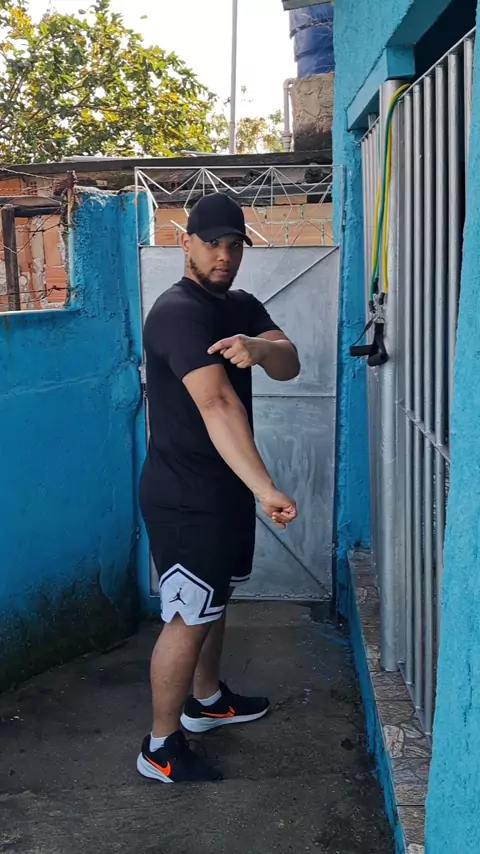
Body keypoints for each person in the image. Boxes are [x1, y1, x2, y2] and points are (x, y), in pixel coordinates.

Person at [137, 192, 300, 784]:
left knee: (212, 601)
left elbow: (290, 362)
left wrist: (260, 348)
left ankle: (207, 701)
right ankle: (160, 746)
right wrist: (266, 487)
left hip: (221, 489)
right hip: (186, 494)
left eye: (234, 245)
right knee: (187, 614)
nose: (225, 255)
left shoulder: (240, 305)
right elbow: (217, 402)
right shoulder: (177, 312)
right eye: (212, 244)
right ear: (186, 243)